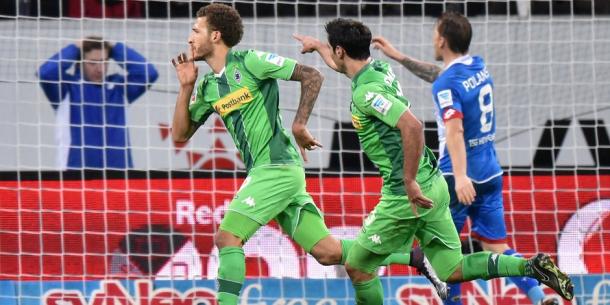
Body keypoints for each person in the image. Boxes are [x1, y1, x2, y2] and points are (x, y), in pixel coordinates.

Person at [171, 4, 446, 305]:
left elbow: (311, 75)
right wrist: (186, 87)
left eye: (195, 30)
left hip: (276, 168)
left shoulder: (250, 61)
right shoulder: (209, 87)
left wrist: (300, 123)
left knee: (227, 238)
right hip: (271, 173)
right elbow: (180, 135)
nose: (189, 38)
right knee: (326, 252)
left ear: (215, 35)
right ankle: (413, 257)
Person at [293, 18, 574, 305]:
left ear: (341, 50)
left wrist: (409, 181)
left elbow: (412, 127)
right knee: (452, 269)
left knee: (357, 266)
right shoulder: (379, 69)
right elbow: (341, 66)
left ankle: (417, 259)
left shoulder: (367, 93)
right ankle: (530, 266)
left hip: (405, 195)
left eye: (333, 50)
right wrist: (319, 48)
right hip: (437, 184)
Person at [372, 11, 562, 305]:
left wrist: (460, 177)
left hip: (456, 178)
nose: (433, 38)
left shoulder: (446, 84)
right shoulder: (478, 66)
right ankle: (540, 296)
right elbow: (441, 75)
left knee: (442, 257)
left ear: (443, 40)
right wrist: (397, 56)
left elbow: (455, 129)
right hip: (490, 173)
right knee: (497, 248)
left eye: (435, 33)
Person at [38, 36, 158, 169]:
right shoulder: (66, 89)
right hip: (75, 171)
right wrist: (75, 47)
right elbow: (45, 73)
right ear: (80, 62)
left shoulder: (118, 89)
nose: (100, 69)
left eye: (104, 61)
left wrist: (114, 48)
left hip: (119, 172)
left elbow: (149, 73)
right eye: (92, 63)